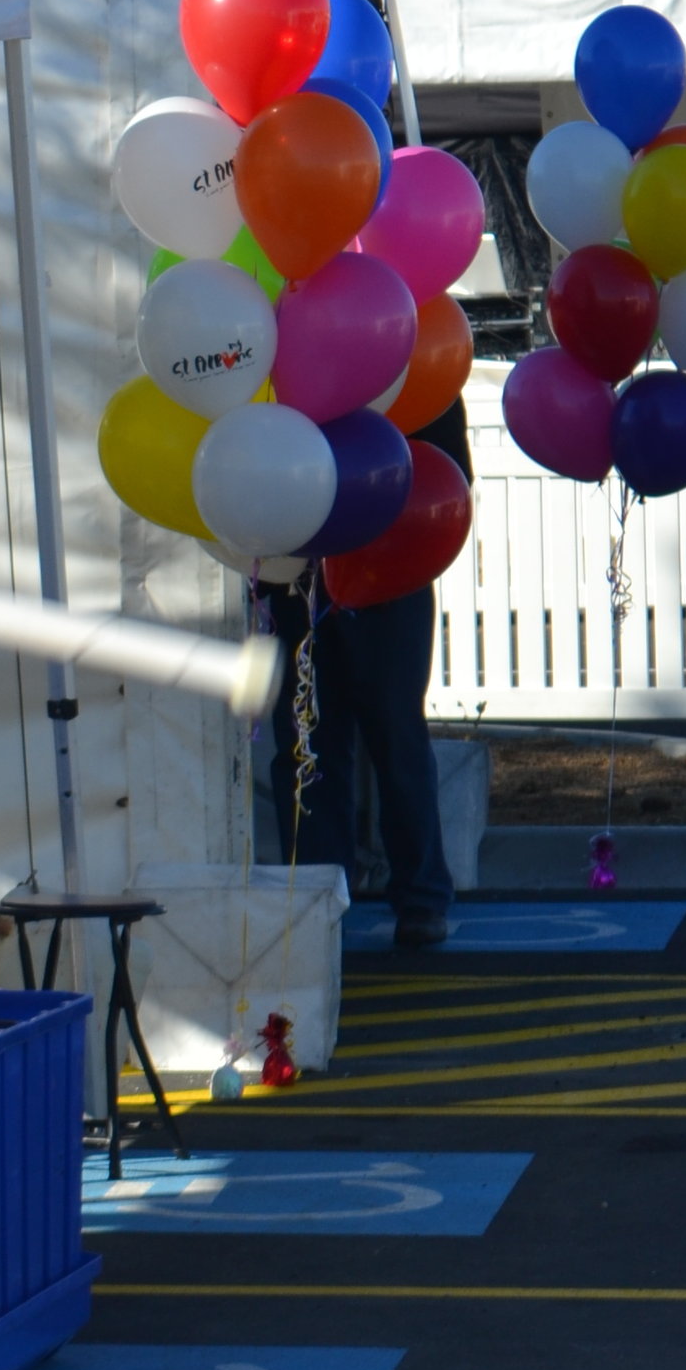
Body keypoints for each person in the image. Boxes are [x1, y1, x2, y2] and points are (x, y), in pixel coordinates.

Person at [268, 397, 474, 955]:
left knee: (390, 733)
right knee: (310, 743)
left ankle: (419, 896)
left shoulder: (414, 351)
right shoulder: (285, 347)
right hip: (301, 571)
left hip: (387, 568)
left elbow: (449, 475)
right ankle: (318, 901)